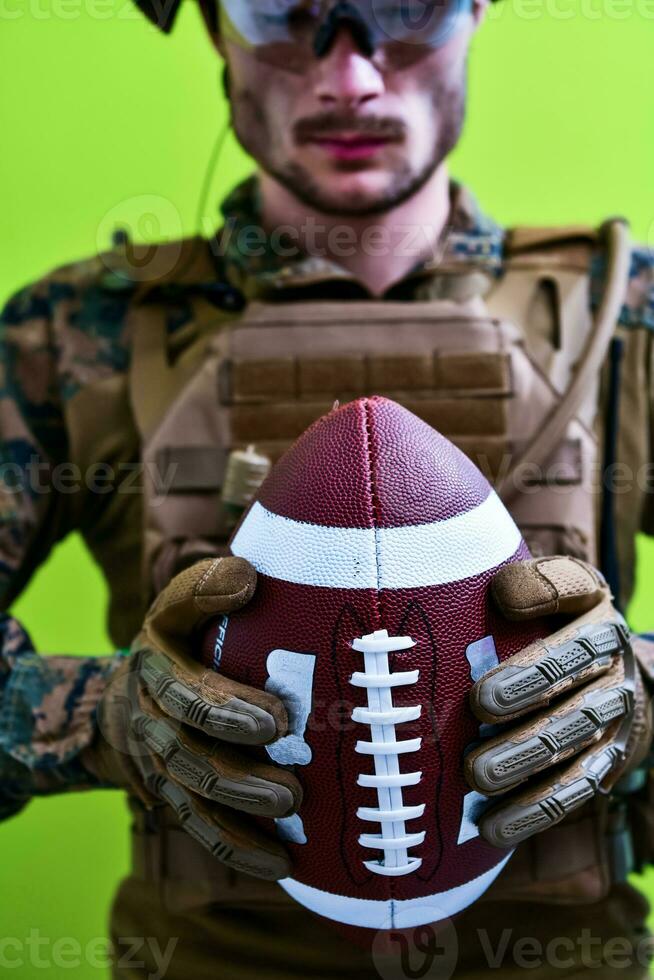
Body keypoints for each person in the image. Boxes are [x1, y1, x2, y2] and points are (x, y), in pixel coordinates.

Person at [1, 1, 654, 976]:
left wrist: (640, 688)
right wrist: (100, 714)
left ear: (477, 10)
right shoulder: (73, 334)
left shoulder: (622, 319)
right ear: (210, 25)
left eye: (406, 11)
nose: (349, 78)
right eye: (280, 11)